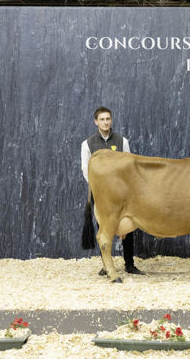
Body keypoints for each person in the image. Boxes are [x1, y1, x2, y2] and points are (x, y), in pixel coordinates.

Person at [81, 106, 144, 275]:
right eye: (102, 119)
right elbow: (86, 170)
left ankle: (129, 264)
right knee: (103, 226)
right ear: (96, 122)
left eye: (108, 118)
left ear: (111, 120)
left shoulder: (122, 141)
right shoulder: (87, 144)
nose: (105, 122)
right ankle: (106, 265)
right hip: (100, 193)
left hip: (122, 192)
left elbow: (130, 167)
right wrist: (99, 189)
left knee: (128, 227)